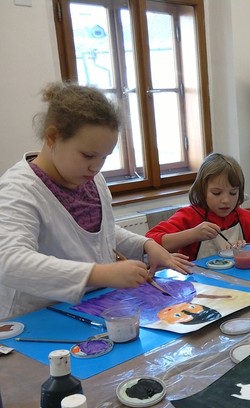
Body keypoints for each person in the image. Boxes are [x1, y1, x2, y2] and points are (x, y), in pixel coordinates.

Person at [0, 82, 191, 321]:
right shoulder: (19, 189)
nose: (96, 167)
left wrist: (146, 245)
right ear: (52, 137)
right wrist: (99, 274)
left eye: (104, 157)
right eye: (88, 155)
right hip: (33, 320)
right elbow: (9, 262)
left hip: (91, 308)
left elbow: (103, 234)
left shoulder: (92, 179)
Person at [146, 153, 250, 261]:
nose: (226, 200)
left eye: (233, 193)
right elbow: (149, 242)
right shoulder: (189, 216)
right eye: (216, 193)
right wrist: (193, 234)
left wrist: (245, 249)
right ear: (202, 190)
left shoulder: (246, 218)